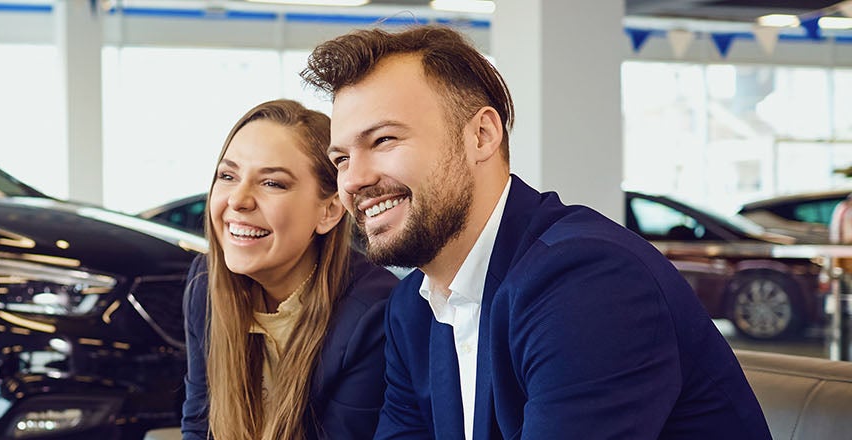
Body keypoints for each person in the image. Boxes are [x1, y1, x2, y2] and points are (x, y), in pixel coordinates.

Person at [301, 26, 771, 439]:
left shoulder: (588, 281)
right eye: (340, 158)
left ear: (481, 136)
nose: (353, 179)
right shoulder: (413, 310)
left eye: (383, 140)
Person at [182, 99, 401, 440]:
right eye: (228, 175)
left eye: (272, 183)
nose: (238, 200)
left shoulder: (374, 313)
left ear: (328, 211)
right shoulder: (204, 284)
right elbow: (199, 425)